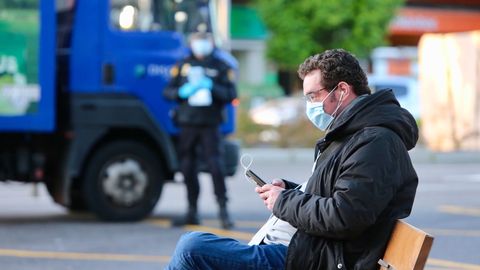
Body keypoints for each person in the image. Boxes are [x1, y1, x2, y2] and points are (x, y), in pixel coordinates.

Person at [164, 49, 419, 270]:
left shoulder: (375, 142)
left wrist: (284, 201)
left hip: (320, 259)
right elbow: (338, 197)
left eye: (313, 96)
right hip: (311, 249)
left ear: (342, 90)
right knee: (196, 246)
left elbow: (345, 216)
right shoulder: (352, 134)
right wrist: (291, 190)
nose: (309, 105)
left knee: (192, 249)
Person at [163, 32, 237, 229]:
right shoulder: (183, 65)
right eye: (197, 41)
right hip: (187, 123)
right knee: (187, 166)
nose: (201, 45)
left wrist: (211, 86)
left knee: (215, 166)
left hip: (210, 124)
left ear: (211, 43)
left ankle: (223, 211)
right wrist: (181, 92)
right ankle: (191, 210)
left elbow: (231, 94)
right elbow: (168, 92)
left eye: (204, 41)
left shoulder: (221, 66)